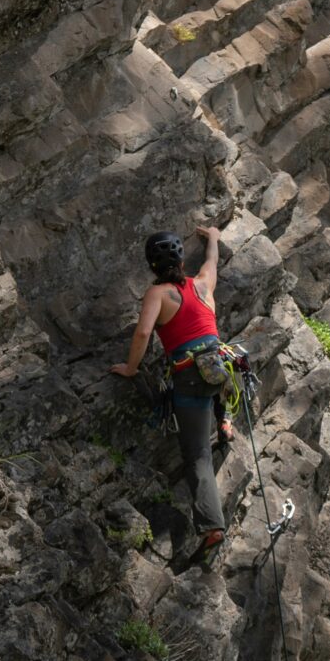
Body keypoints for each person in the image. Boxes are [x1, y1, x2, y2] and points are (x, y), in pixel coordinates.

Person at [111, 226, 232, 553]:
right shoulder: (204, 283)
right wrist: (213, 238)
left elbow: (143, 334)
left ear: (151, 265)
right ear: (180, 259)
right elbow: (212, 260)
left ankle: (212, 527)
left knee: (197, 456)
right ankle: (225, 420)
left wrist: (131, 369)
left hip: (189, 377)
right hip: (217, 372)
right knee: (217, 377)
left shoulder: (159, 294)